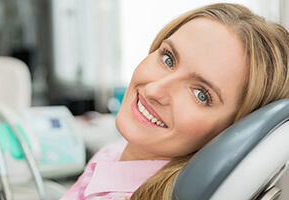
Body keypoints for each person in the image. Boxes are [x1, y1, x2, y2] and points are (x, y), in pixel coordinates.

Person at [61, 3, 289, 200]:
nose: (153, 90)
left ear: (233, 132)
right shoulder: (116, 152)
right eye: (168, 59)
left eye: (201, 94)